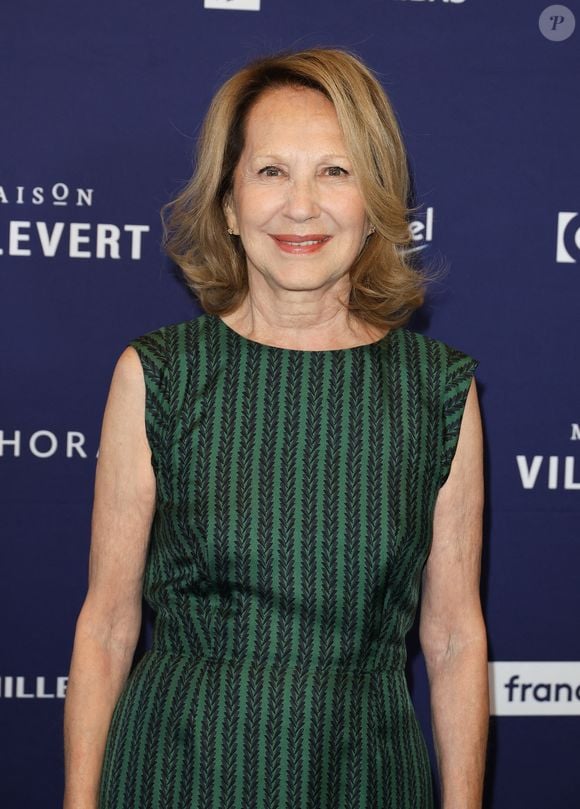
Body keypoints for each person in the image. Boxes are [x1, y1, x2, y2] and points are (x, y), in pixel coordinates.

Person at [63, 48, 488, 809]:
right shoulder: (159, 374)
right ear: (227, 204)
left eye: (335, 171)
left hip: (363, 776)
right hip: (177, 771)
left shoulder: (439, 390)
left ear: (376, 201)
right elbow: (106, 626)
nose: (302, 206)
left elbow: (454, 639)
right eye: (270, 172)